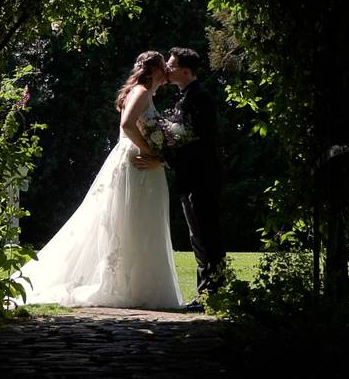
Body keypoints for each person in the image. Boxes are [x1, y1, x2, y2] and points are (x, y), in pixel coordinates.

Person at [12, 50, 183, 309]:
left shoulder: (143, 92)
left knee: (136, 222)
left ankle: (135, 286)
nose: (167, 73)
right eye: (164, 67)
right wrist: (149, 150)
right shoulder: (141, 92)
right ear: (154, 70)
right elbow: (127, 125)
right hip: (136, 161)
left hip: (137, 160)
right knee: (134, 219)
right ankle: (130, 287)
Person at [135, 47, 225, 311]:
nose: (167, 70)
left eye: (171, 66)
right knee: (199, 236)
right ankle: (208, 294)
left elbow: (197, 142)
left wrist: (162, 159)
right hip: (191, 177)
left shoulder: (200, 98)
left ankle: (212, 295)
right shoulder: (186, 97)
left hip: (203, 177)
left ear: (186, 71)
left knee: (208, 235)